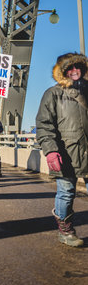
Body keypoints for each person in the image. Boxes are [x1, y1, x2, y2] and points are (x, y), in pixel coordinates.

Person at [36, 52, 88, 247]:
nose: (75, 71)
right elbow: (44, 124)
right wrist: (50, 150)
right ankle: (66, 231)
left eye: (78, 67)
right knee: (66, 192)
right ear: (63, 72)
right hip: (67, 152)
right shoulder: (53, 94)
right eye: (70, 68)